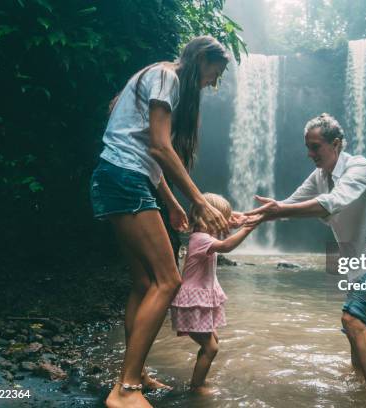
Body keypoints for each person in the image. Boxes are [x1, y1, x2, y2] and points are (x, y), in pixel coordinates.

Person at [90, 36, 234, 408]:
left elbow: (148, 156)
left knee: (142, 282)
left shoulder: (153, 74)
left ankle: (134, 373)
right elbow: (158, 146)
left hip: (117, 178)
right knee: (169, 280)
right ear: (202, 59)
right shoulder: (168, 77)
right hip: (125, 180)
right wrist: (198, 201)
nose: (210, 84)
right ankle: (125, 389)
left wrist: (171, 202)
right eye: (213, 75)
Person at [246, 113, 366, 386]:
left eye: (315, 146)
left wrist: (277, 209)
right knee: (355, 325)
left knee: (352, 319)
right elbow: (288, 205)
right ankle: (359, 382)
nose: (310, 153)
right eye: (307, 147)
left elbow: (332, 202)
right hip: (358, 262)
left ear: (336, 144)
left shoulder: (361, 168)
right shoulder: (319, 176)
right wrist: (246, 217)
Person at [171, 193, 256, 393]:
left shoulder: (202, 236)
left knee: (213, 342)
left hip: (196, 302)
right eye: (221, 218)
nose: (225, 223)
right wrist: (248, 229)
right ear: (208, 219)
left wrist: (239, 221)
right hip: (191, 303)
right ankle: (196, 386)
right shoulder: (201, 239)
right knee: (212, 348)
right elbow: (227, 246)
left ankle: (199, 380)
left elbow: (223, 236)